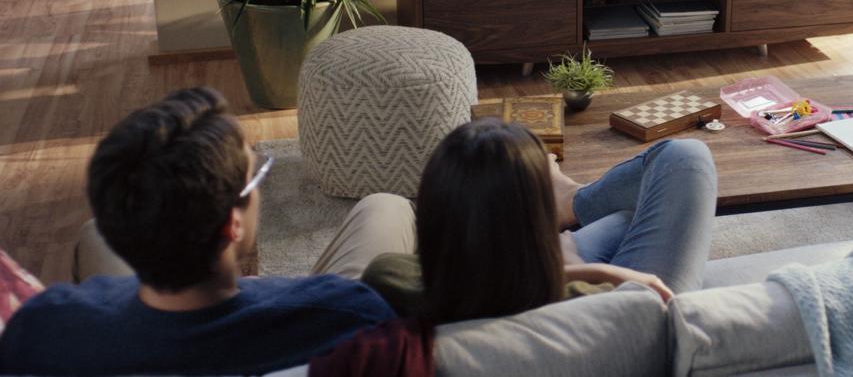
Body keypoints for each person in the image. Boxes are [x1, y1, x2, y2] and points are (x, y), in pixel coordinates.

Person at [0, 88, 406, 376]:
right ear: (233, 223)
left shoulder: (42, 328)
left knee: (92, 236)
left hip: (130, 331)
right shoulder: (350, 316)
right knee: (386, 208)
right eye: (256, 176)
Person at [361, 119, 718, 323]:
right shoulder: (583, 302)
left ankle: (570, 202)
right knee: (685, 157)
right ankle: (571, 200)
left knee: (626, 217)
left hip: (532, 267)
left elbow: (473, 283)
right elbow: (649, 301)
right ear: (533, 231)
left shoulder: (387, 276)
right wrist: (579, 266)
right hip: (636, 311)